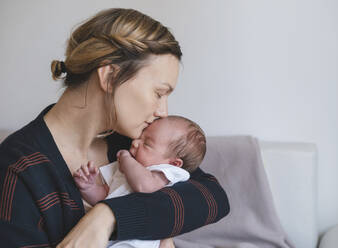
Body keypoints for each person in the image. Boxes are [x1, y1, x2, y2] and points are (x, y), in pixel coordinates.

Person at [0, 8, 229, 248]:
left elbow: (213, 196)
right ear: (109, 77)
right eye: (159, 93)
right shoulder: (18, 168)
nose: (163, 112)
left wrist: (107, 216)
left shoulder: (127, 141)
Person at [73, 116, 206, 248]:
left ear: (174, 163)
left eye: (147, 144)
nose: (135, 143)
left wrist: (126, 159)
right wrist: (88, 187)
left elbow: (145, 186)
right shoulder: (128, 168)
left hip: (139, 242)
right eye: (140, 137)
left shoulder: (166, 172)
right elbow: (105, 198)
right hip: (112, 238)